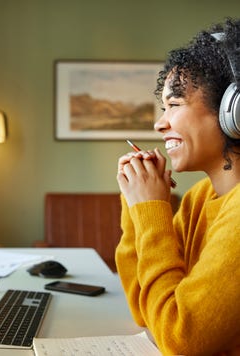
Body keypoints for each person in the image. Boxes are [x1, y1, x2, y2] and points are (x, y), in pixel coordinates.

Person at [115, 18, 240, 355]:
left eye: (174, 105)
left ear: (234, 112)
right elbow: (145, 309)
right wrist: (136, 206)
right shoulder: (202, 197)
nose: (160, 123)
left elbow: (180, 339)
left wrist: (152, 209)